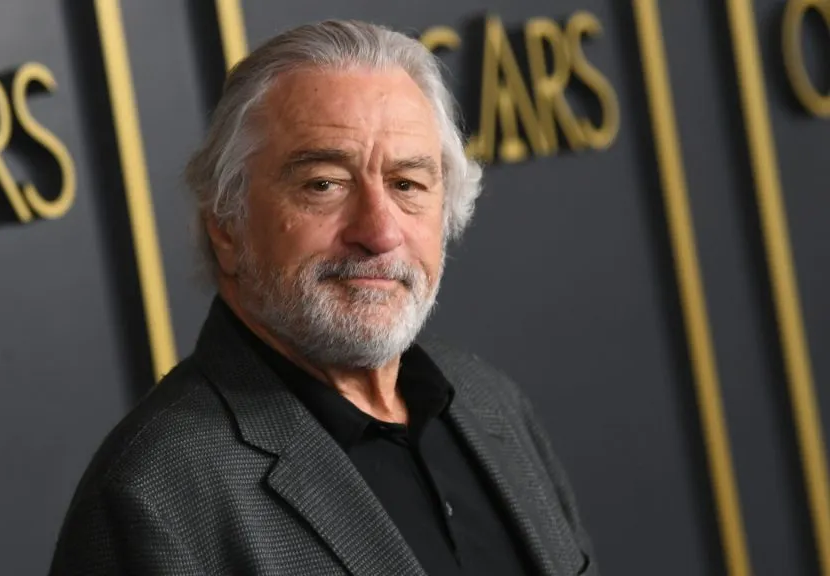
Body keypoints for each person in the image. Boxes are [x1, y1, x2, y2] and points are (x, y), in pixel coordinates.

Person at [49, 20, 595, 576]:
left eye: (407, 185)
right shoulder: (152, 499)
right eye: (325, 184)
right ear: (226, 227)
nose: (380, 232)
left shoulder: (493, 404)